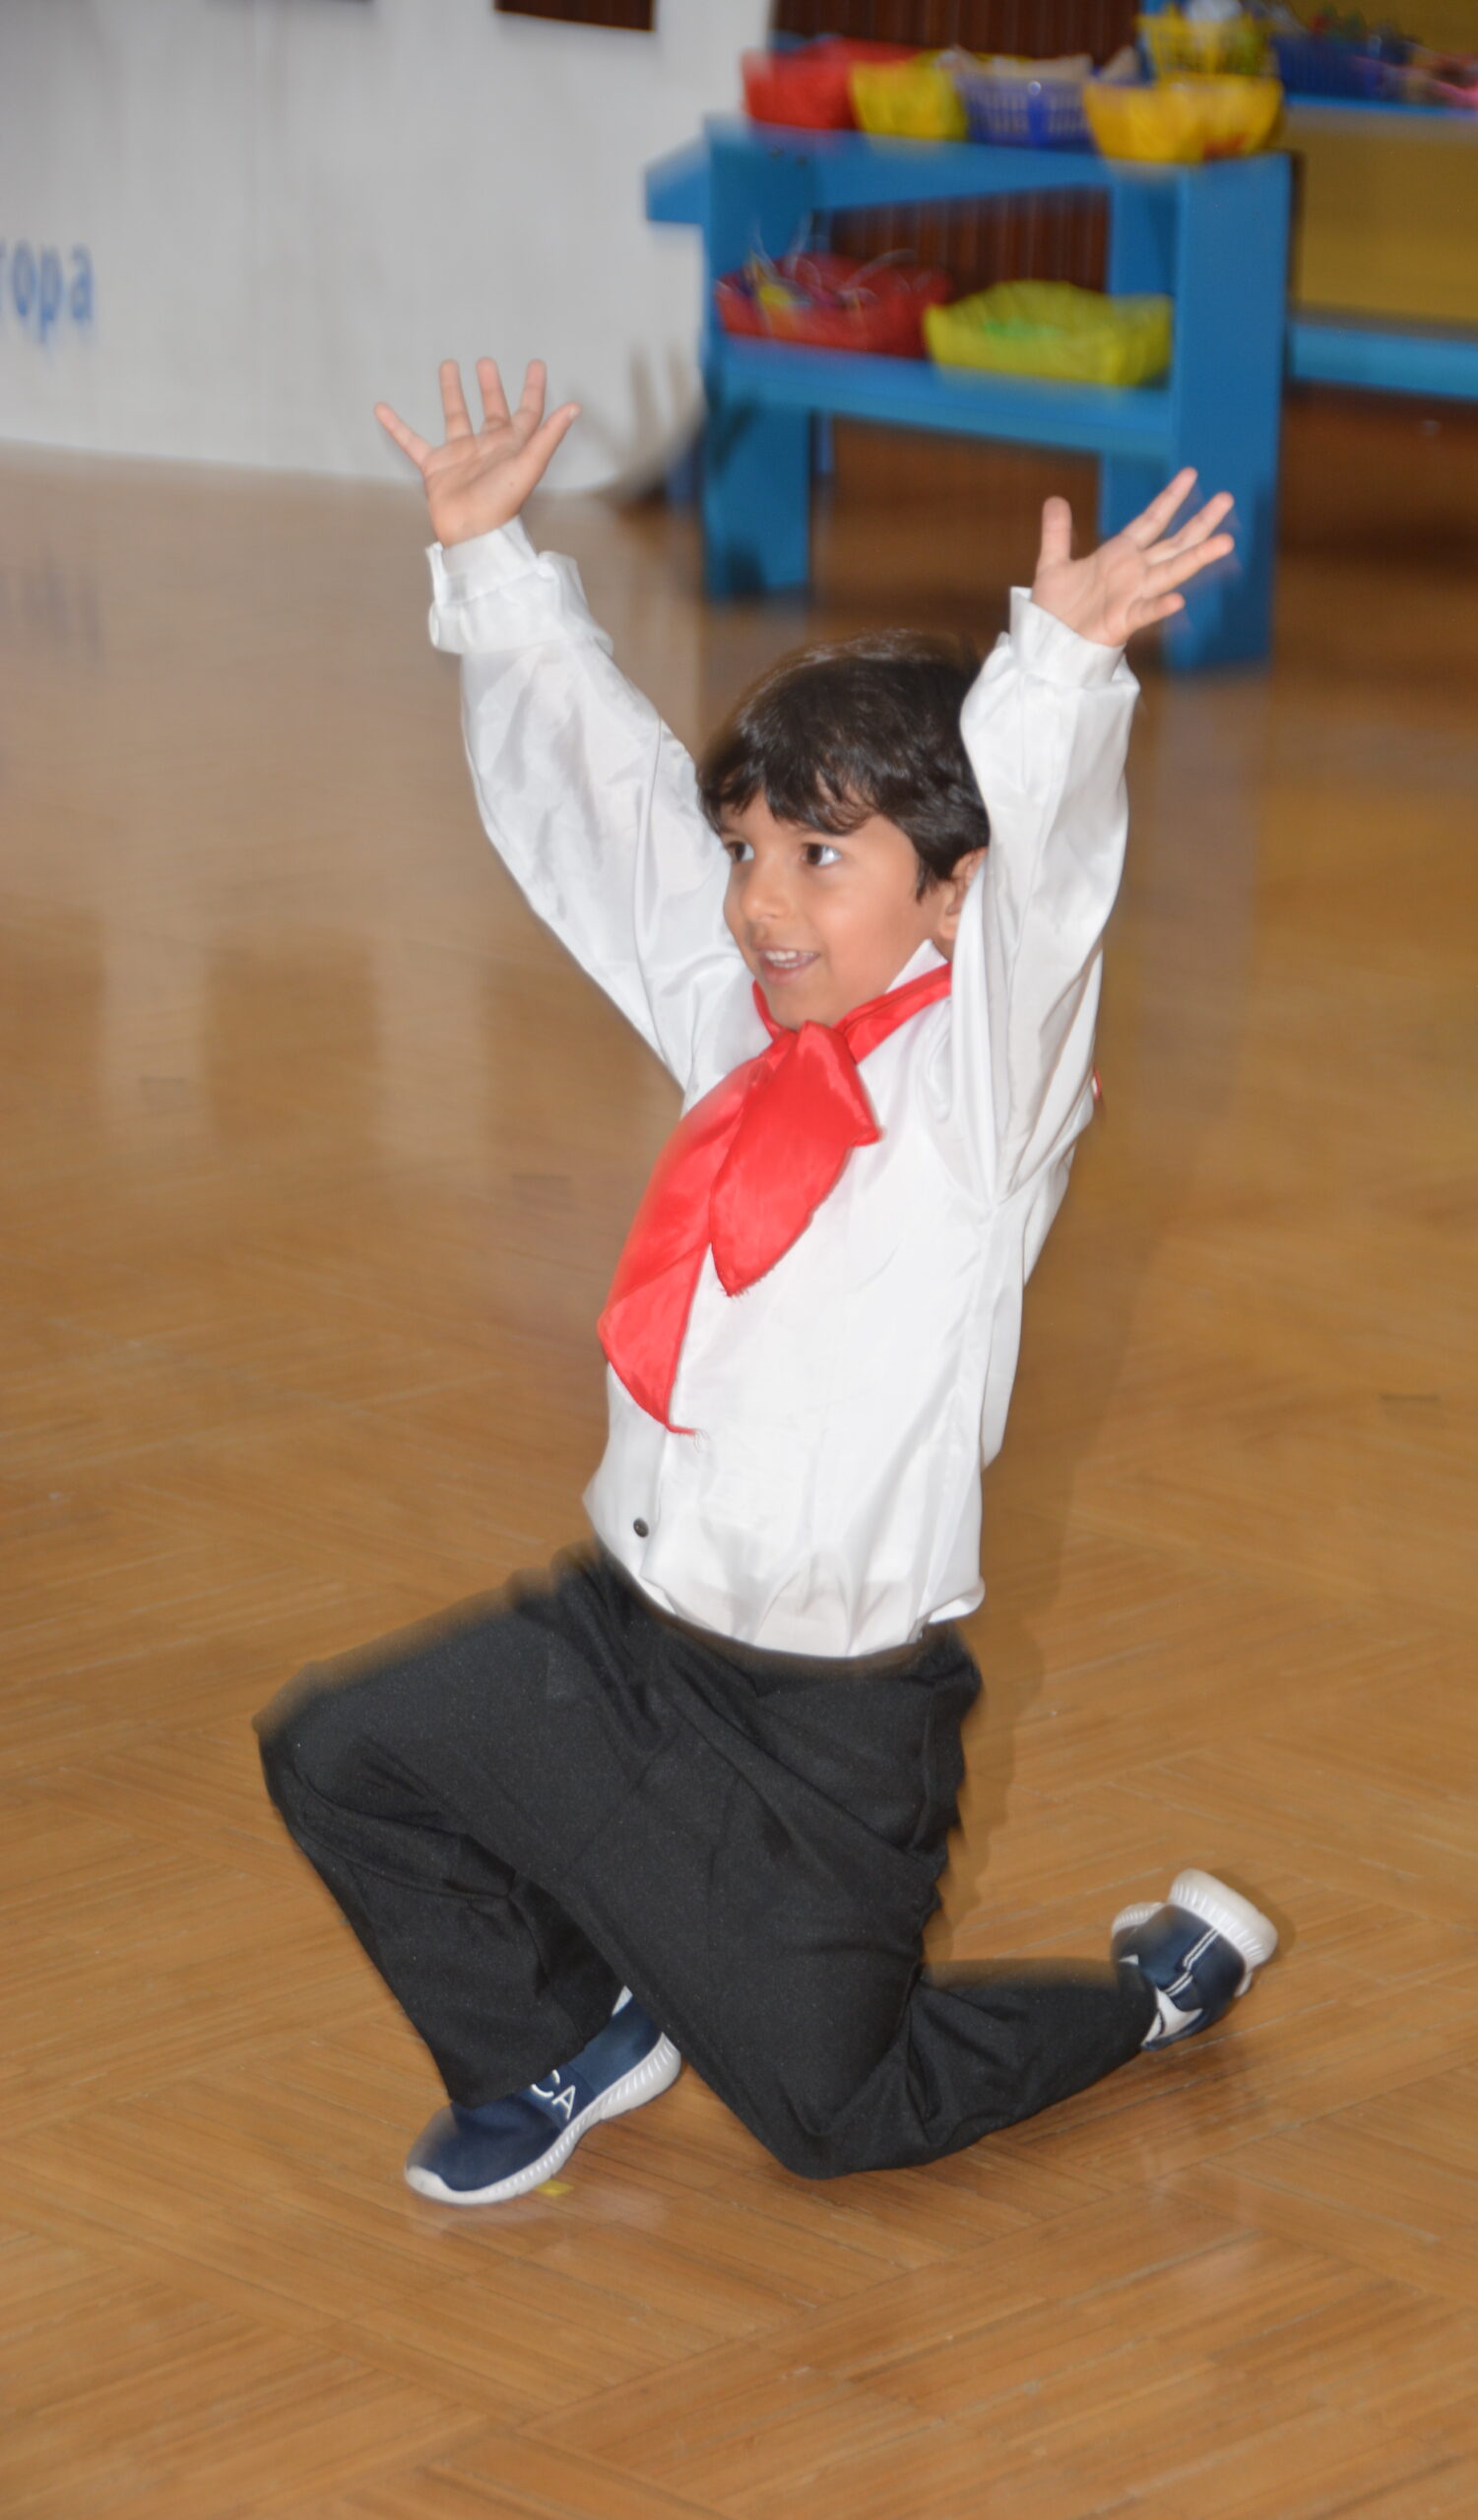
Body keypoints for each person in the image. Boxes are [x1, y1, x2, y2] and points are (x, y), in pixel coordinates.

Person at [257, 357, 1278, 2209]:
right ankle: (563, 2039)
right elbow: (611, 817)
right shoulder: (746, 1019)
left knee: (836, 2119)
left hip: (829, 1728)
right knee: (341, 1754)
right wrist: (491, 567)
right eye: (751, 851)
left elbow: (1052, 896)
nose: (759, 900)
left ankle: (1145, 2000)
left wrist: (1057, 676)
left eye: (821, 856)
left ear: (950, 895)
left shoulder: (985, 1096)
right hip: (625, 1640)